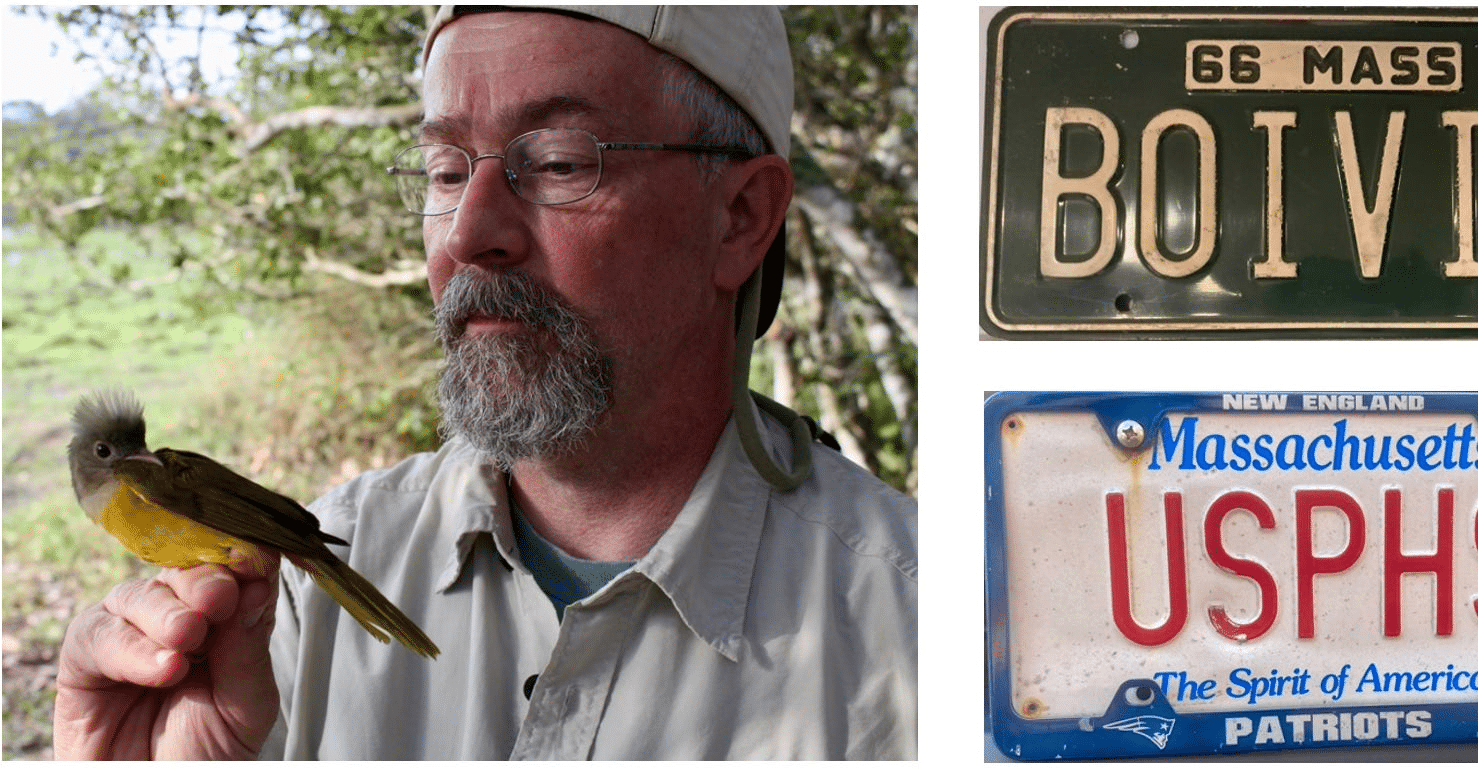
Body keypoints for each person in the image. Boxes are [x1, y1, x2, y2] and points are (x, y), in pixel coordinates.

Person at [52, 6, 918, 760]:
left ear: (739, 219)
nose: (469, 233)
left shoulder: (922, 629)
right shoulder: (295, 592)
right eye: (443, 169)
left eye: (557, 163)